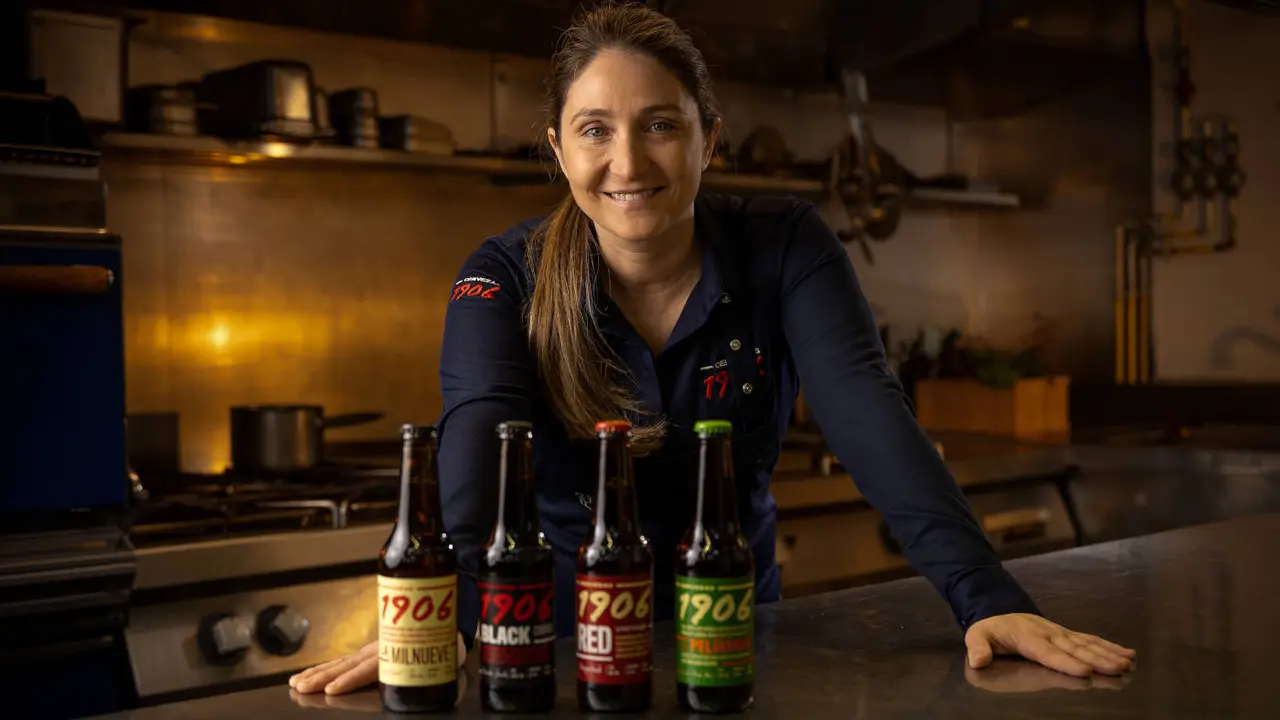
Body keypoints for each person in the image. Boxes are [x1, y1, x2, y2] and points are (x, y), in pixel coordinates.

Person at [290, 1, 1135, 696]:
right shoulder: (503, 275)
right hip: (542, 655)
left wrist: (984, 597)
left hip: (730, 645)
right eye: (594, 129)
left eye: (660, 124)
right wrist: (453, 619)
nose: (627, 160)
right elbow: (479, 441)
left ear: (709, 139)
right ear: (557, 148)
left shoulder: (788, 245)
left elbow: (866, 409)